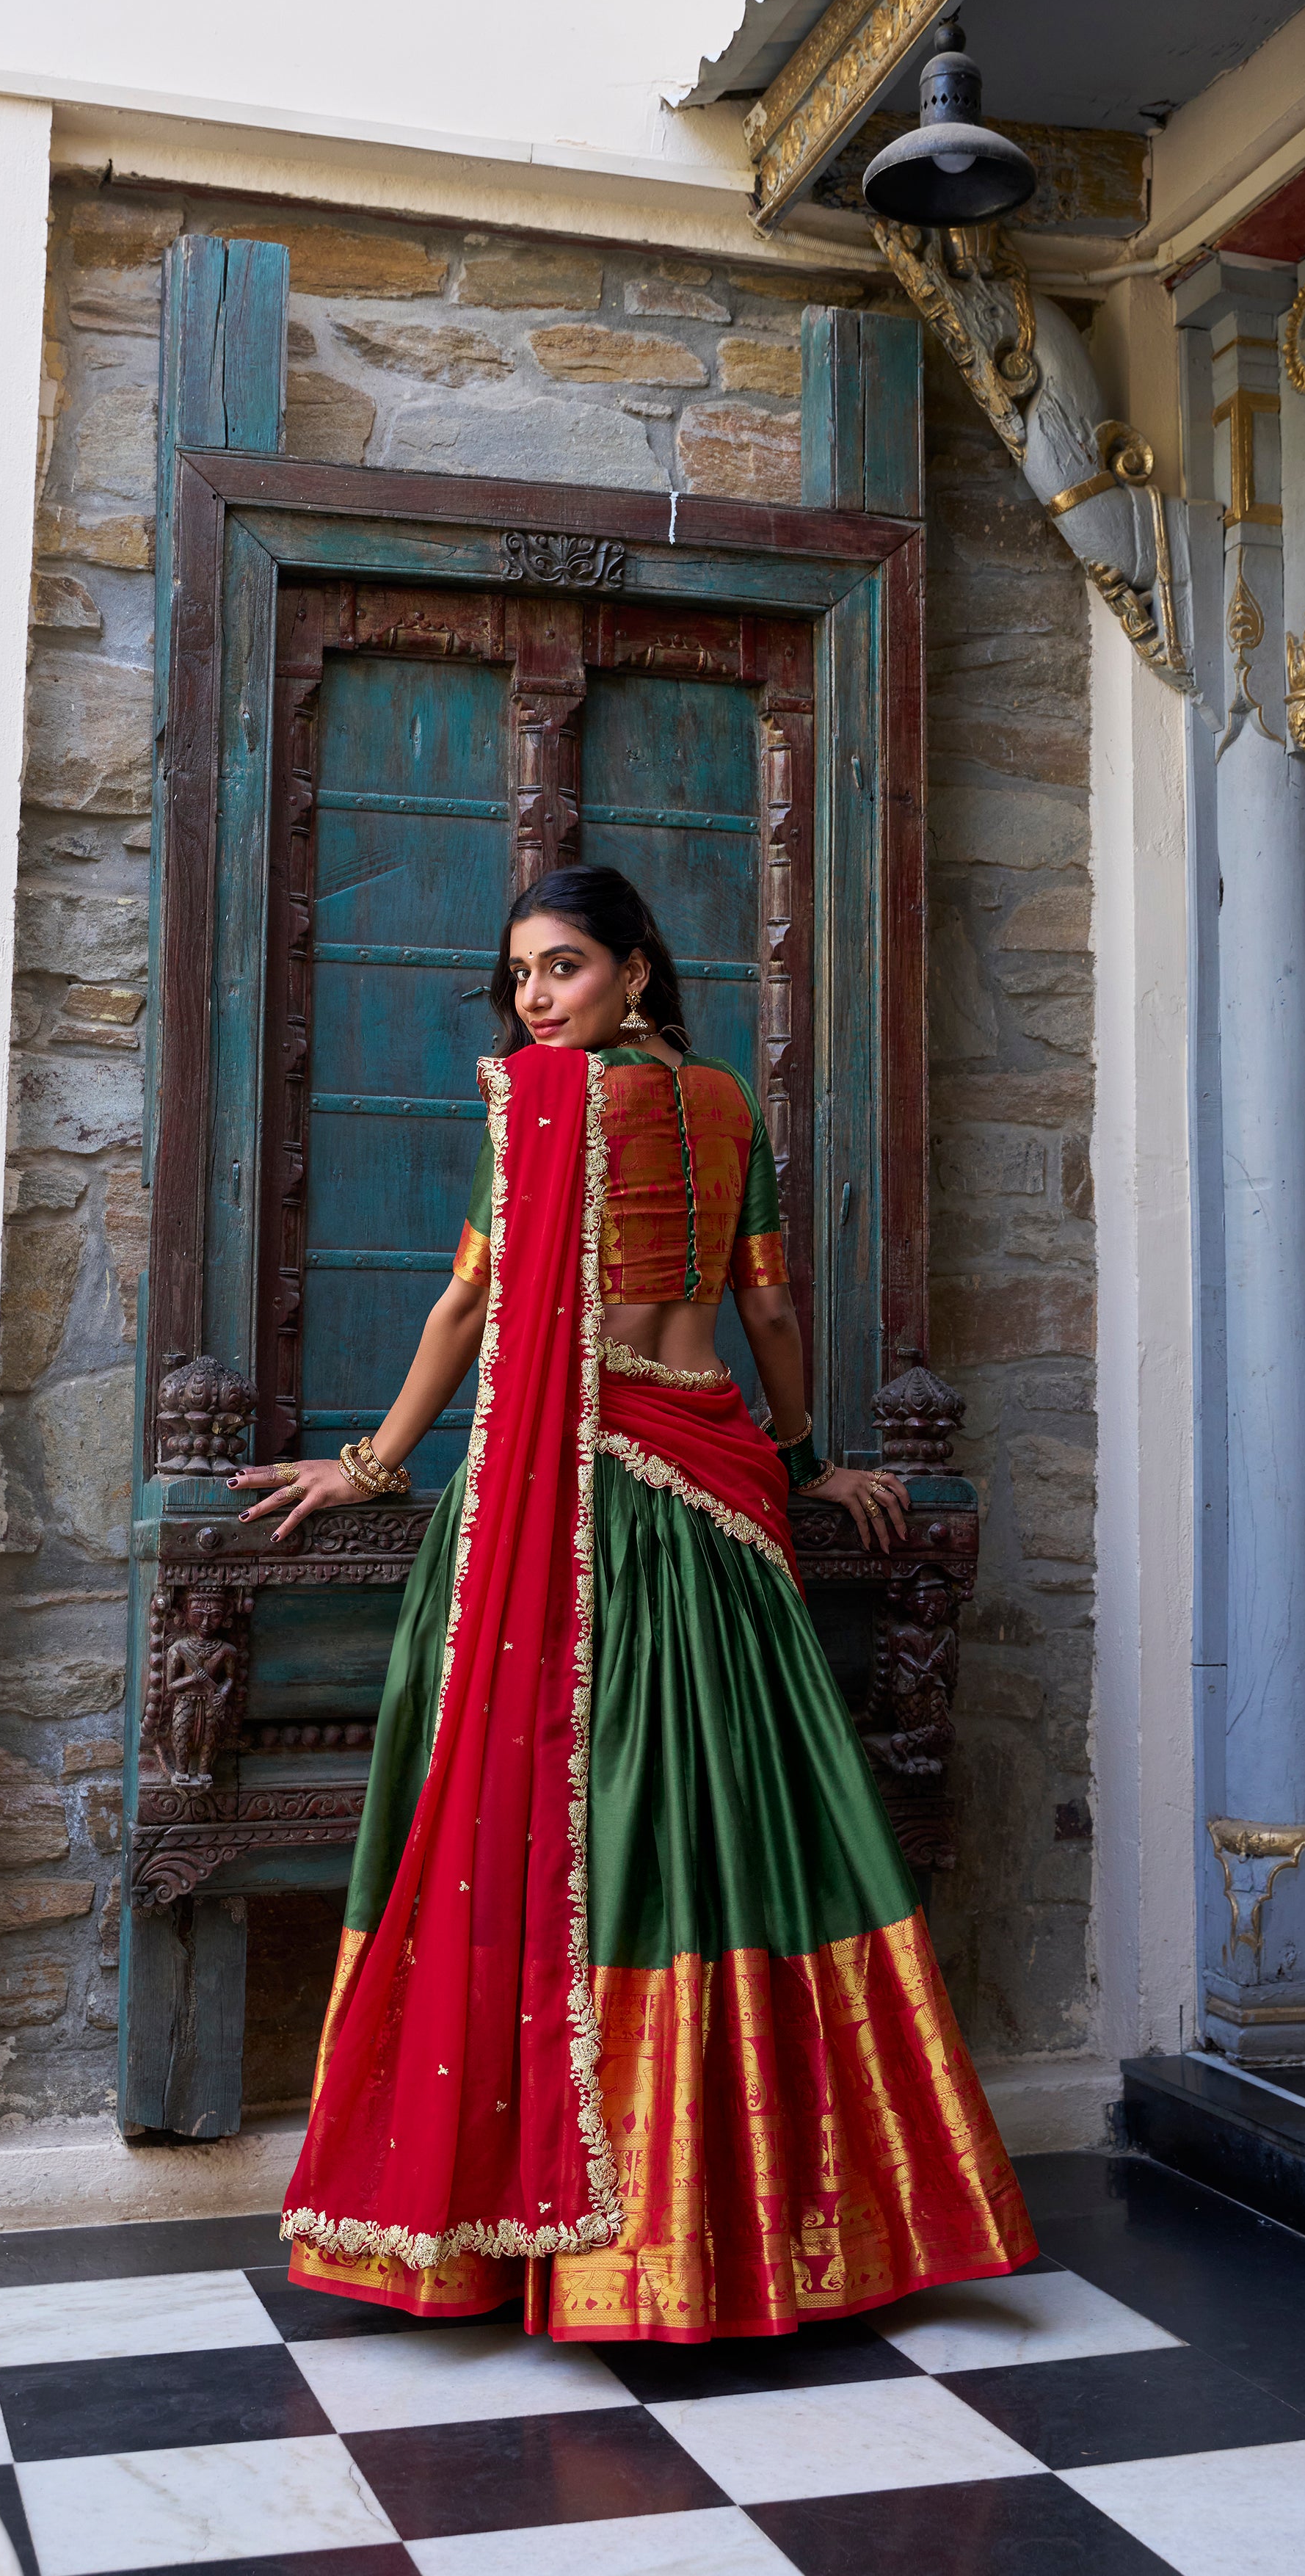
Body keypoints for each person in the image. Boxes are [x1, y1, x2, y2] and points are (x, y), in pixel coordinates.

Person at [229, 866, 1035, 2341]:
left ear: (634, 972)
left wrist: (372, 1463)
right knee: (726, 1829)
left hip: (568, 1489)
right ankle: (756, 2214)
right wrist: (808, 1462)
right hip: (717, 1490)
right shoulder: (728, 1107)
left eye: (563, 969)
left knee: (549, 1829)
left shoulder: (534, 1109)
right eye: (521, 974)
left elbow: (469, 1308)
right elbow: (769, 1304)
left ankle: (536, 2227)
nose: (536, 998)